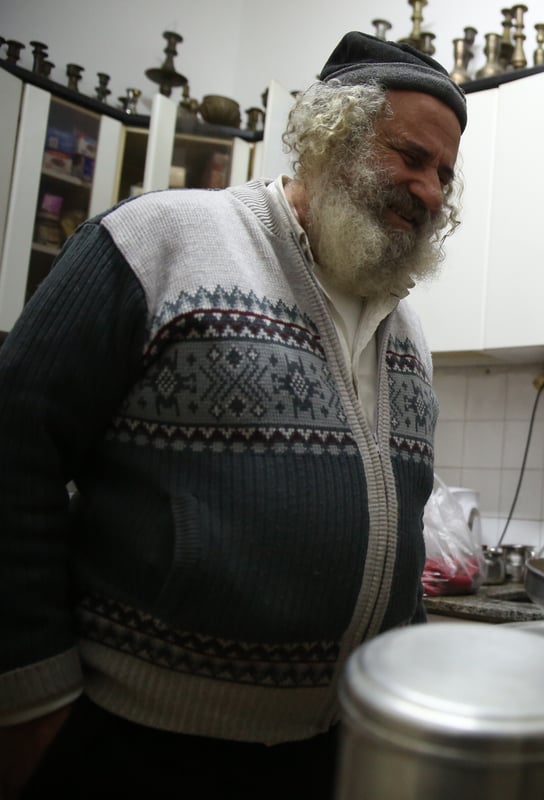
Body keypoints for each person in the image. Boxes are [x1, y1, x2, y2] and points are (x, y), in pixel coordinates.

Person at [0, 31, 466, 799]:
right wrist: (32, 696)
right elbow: (15, 443)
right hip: (138, 750)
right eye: (410, 157)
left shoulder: (407, 333)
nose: (430, 191)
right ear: (331, 140)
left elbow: (394, 536)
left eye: (444, 174)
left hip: (332, 754)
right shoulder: (161, 241)